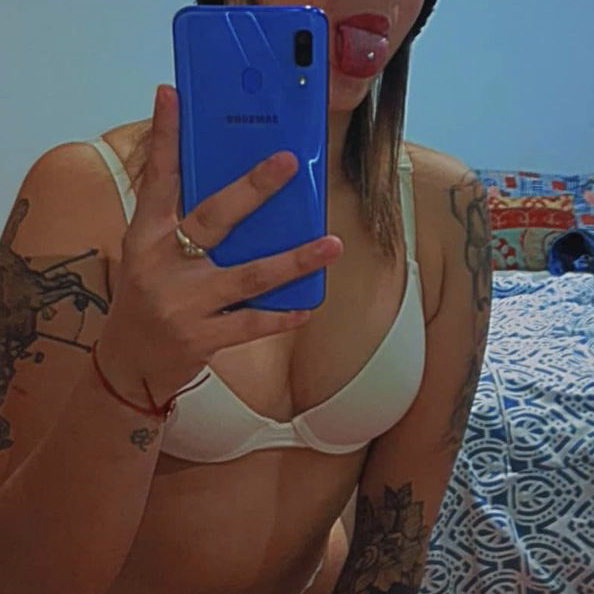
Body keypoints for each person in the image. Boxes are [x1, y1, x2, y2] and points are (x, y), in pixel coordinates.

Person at [0, 0, 493, 593]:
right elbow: (21, 574)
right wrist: (127, 378)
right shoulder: (82, 193)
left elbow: (393, 555)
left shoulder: (445, 210)